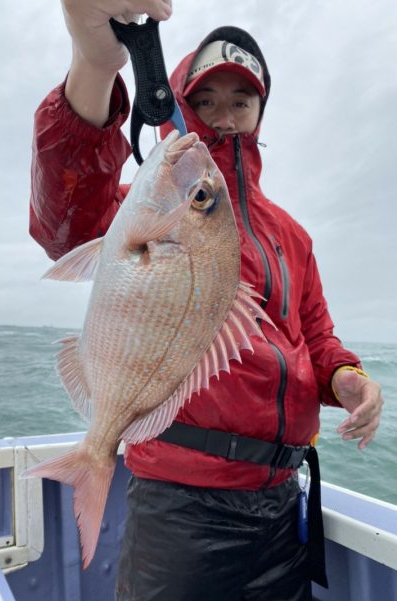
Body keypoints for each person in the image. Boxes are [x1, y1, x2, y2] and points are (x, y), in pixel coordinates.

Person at [29, 2, 384, 599]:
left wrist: (347, 377)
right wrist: (94, 64)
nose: (224, 115)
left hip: (279, 504)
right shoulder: (144, 207)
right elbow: (66, 216)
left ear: (260, 113)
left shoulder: (291, 236)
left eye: (241, 101)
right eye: (206, 99)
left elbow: (316, 337)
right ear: (177, 104)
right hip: (180, 508)